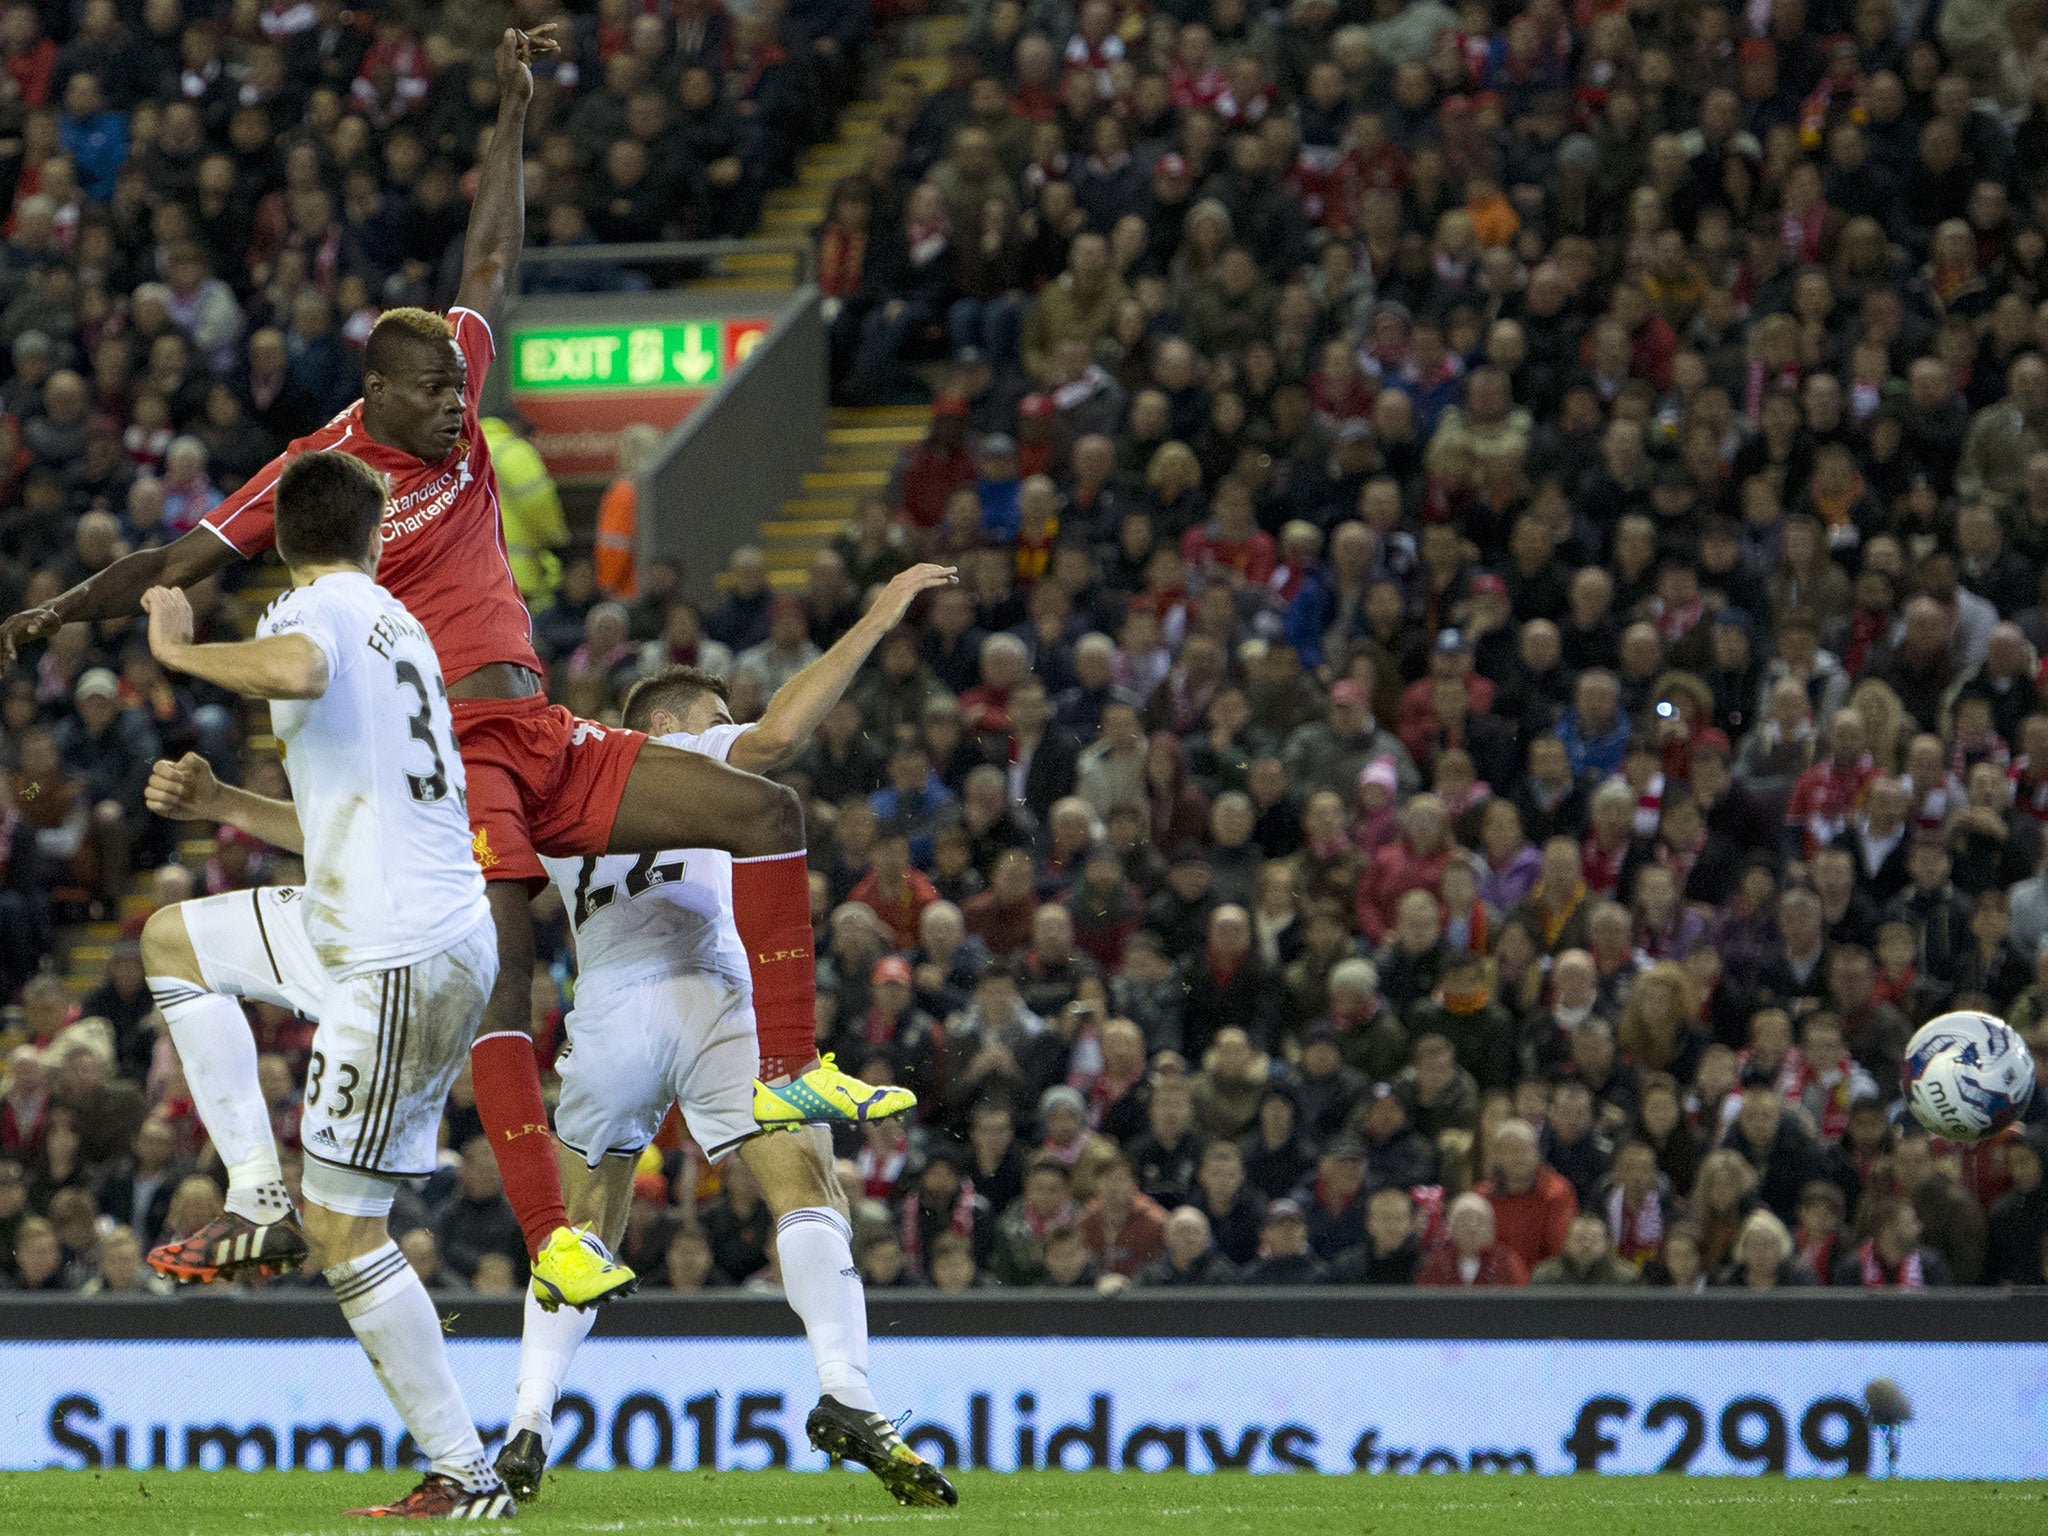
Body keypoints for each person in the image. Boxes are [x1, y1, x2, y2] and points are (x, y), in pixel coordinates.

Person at [1, 26, 832, 1319]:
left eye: (463, 384)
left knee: (764, 812)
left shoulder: (453, 378)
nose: (463, 406)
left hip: (544, 725)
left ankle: (793, 1071)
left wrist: (510, 112)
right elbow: (187, 554)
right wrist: (58, 612)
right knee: (508, 971)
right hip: (463, 750)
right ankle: (550, 1232)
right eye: (438, 393)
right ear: (377, 394)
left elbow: (492, 259)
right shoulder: (324, 476)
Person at [499, 563, 961, 1510]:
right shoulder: (686, 751)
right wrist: (875, 616)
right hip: (713, 990)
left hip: (608, 1010)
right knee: (806, 1182)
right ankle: (845, 1389)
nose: (731, 723)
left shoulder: (559, 789)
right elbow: (786, 733)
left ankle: (525, 1424)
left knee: (579, 1230)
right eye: (718, 712)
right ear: (671, 724)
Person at [127, 449, 516, 1517]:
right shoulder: (404, 629)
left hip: (395, 949)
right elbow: (355, 821)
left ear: (279, 542)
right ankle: (254, 1195)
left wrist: (179, 647)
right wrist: (227, 809)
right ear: (376, 532)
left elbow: (294, 672)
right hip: (375, 919)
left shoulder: (327, 610)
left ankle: (467, 1476)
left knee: (348, 1232)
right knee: (176, 943)